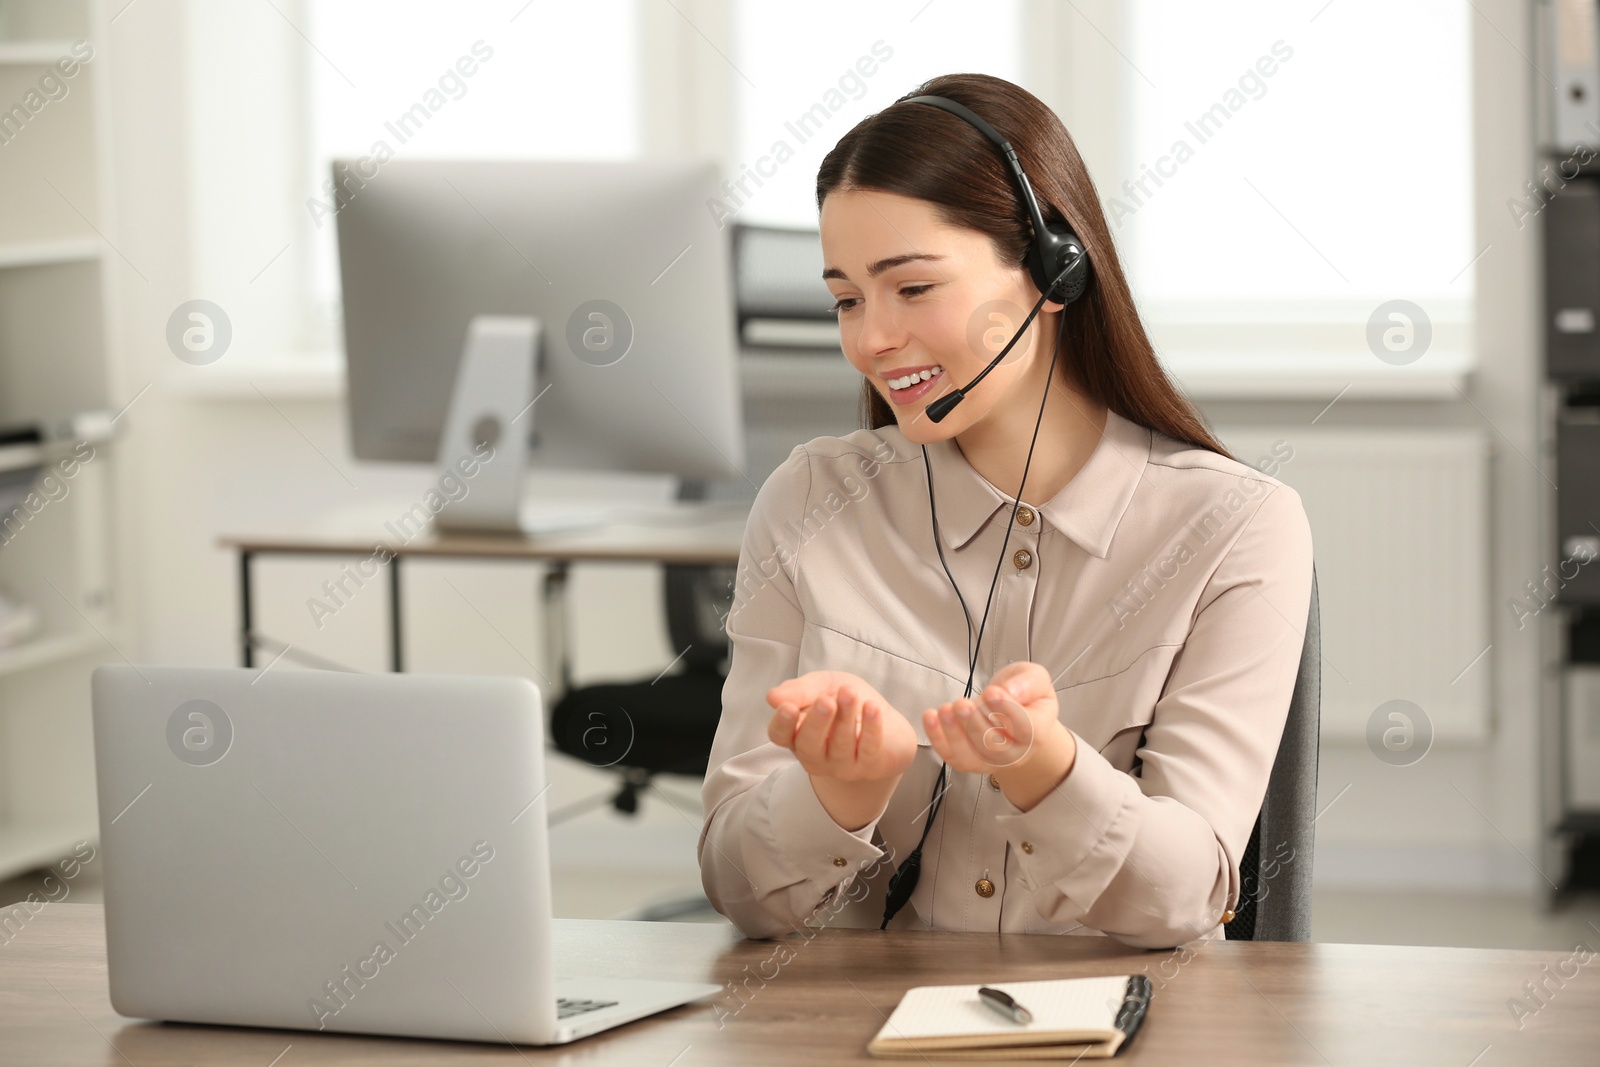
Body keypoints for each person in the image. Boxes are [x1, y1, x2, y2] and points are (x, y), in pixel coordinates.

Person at [697, 72, 1313, 949]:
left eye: (911, 289)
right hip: (860, 1035)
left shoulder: (1237, 526)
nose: (870, 339)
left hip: (1120, 1029)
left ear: (1054, 268)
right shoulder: (810, 499)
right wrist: (836, 795)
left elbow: (1187, 897)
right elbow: (734, 884)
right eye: (846, 298)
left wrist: (1045, 769)